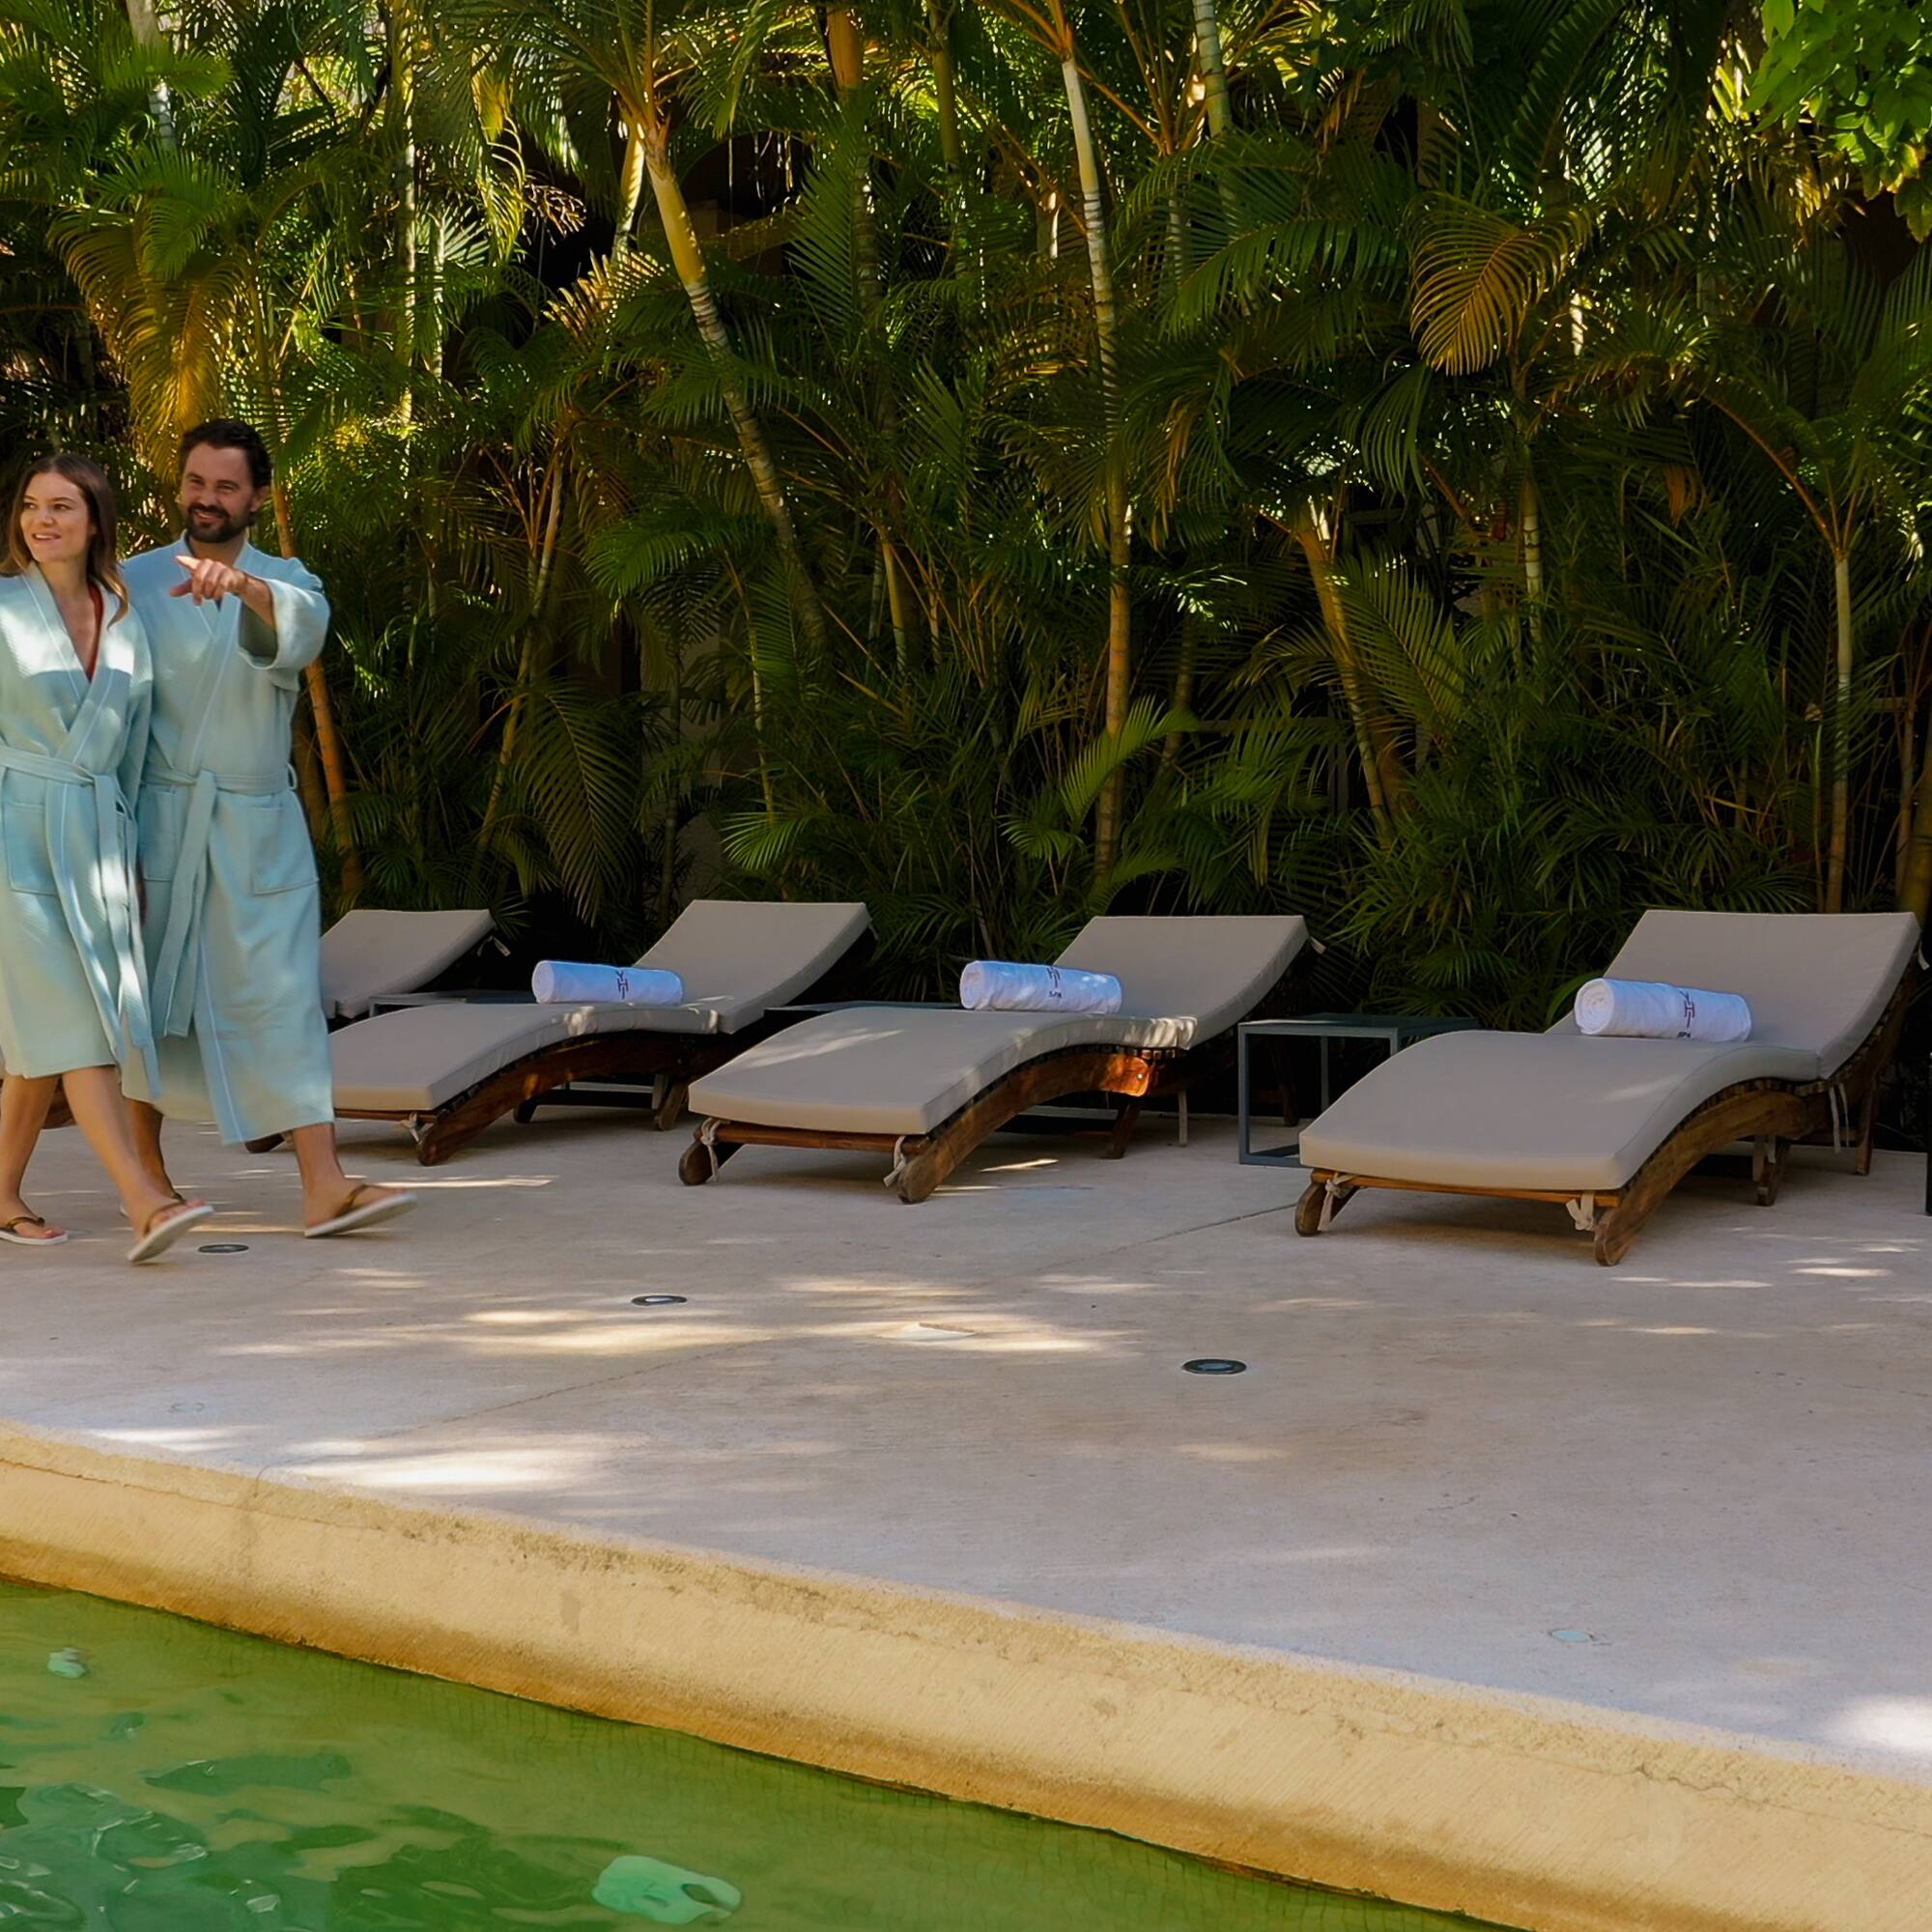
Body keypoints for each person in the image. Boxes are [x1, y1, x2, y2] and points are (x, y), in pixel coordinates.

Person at [121, 421, 415, 1237]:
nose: (206, 500)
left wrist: (247, 592)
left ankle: (323, 1183)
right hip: (159, 821)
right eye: (195, 483)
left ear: (257, 496)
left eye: (225, 486)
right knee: (151, 1005)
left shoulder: (290, 580)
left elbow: (301, 634)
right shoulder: (133, 581)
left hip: (256, 823)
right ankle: (146, 1185)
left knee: (284, 1001)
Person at [0, 454, 214, 1262]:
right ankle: (143, 1200)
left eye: (61, 506)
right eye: (30, 506)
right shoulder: (0, 610)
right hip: (14, 835)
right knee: (78, 1028)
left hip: (99, 838)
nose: (42, 521)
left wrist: (134, 861)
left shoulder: (125, 617)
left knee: (39, 1043)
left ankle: (2, 1193)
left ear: (95, 520)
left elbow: (136, 757)